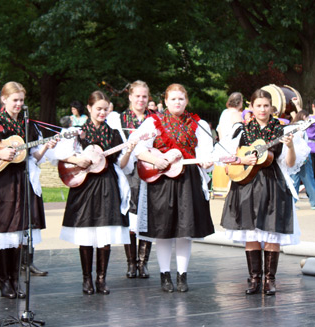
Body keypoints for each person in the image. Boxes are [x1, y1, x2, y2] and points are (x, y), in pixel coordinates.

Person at [0, 81, 57, 299]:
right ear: (4, 100)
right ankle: (4, 282)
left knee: (18, 235)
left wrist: (46, 146)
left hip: (21, 179)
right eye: (14, 100)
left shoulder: (29, 126)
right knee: (2, 233)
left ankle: (15, 280)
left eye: (21, 100)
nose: (18, 104)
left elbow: (33, 157)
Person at [220, 89, 306, 296]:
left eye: (266, 105)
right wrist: (242, 160)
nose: (262, 109)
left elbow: (291, 163)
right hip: (247, 185)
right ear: (251, 107)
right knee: (251, 234)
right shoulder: (242, 130)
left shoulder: (282, 130)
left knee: (271, 233)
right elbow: (227, 160)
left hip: (272, 184)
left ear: (272, 107)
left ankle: (270, 280)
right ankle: (254, 279)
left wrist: (291, 146)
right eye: (258, 106)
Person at [134, 83, 215, 293]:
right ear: (165, 101)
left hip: (188, 180)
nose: (177, 102)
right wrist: (155, 160)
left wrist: (207, 162)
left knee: (184, 230)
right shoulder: (153, 121)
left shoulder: (198, 124)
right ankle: (164, 274)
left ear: (186, 100)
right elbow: (138, 149)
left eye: (181, 99)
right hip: (162, 182)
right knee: (164, 230)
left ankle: (182, 275)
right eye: (173, 99)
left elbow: (206, 153)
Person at [54, 90, 135, 295]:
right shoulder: (78, 132)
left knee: (105, 233)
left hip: (107, 184)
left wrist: (129, 150)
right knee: (86, 232)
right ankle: (86, 279)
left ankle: (101, 279)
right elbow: (60, 155)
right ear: (89, 108)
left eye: (105, 109)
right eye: (98, 109)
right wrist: (77, 160)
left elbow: (123, 165)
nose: (102, 113)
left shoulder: (115, 133)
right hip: (85, 185)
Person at [117, 81, 159, 279]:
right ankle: (131, 263)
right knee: (131, 214)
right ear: (130, 97)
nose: (141, 100)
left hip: (149, 169)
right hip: (128, 169)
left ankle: (143, 263)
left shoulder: (155, 119)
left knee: (147, 214)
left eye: (144, 96)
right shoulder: (121, 119)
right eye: (137, 96)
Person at [289, 110, 315, 209]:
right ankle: (314, 201)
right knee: (309, 179)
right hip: (304, 156)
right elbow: (303, 141)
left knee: (294, 180)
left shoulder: (291, 125)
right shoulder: (303, 126)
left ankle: (292, 202)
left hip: (293, 156)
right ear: (304, 117)